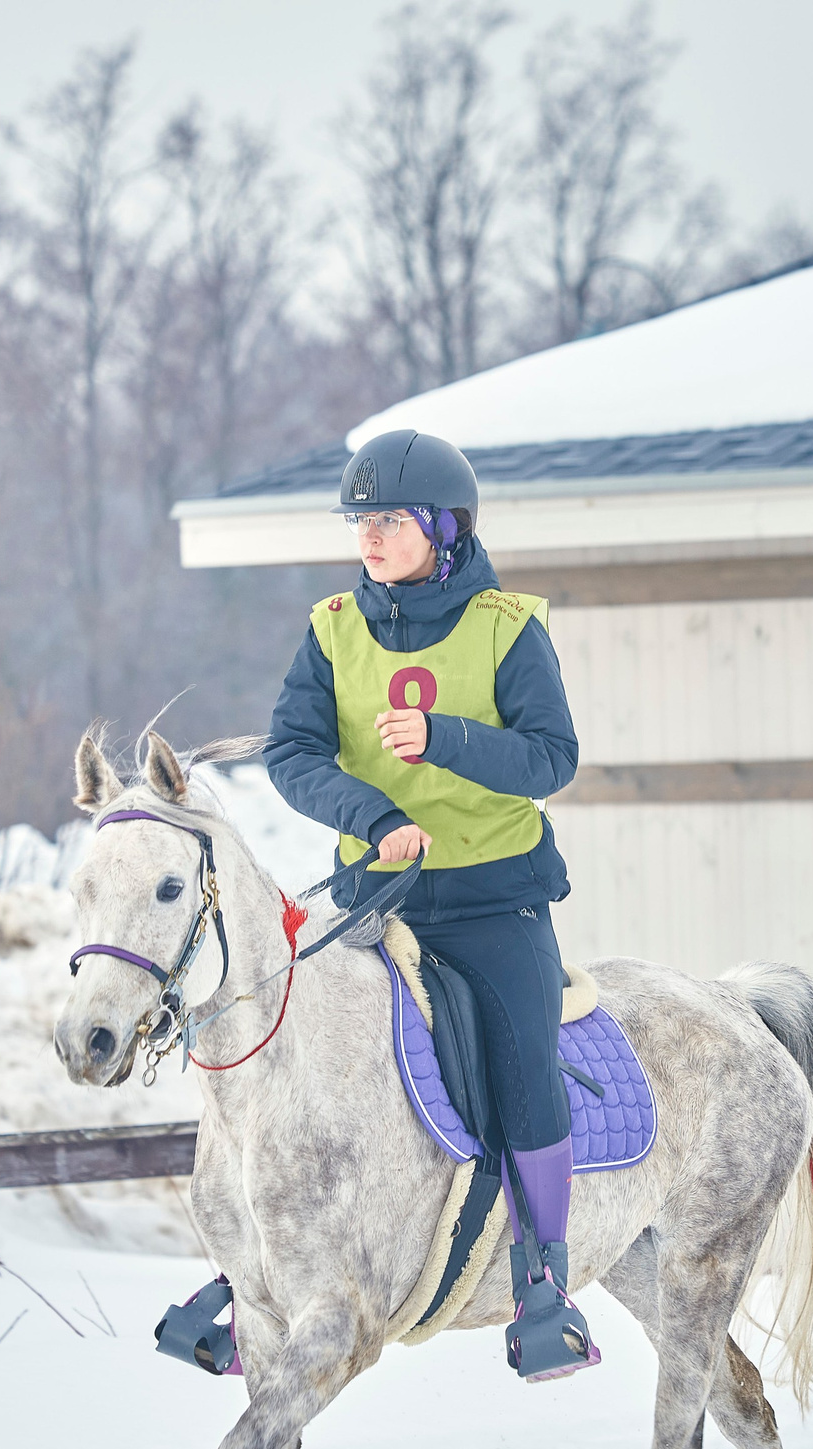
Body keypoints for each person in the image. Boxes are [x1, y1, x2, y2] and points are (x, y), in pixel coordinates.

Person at [263, 428, 598, 1381]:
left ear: (444, 530)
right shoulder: (331, 627)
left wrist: (445, 739)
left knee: (521, 1056)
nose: (369, 536)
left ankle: (546, 1279)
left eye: (390, 520)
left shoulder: (505, 625)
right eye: (360, 521)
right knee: (285, 1044)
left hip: (494, 901)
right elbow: (291, 753)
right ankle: (243, 1265)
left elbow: (551, 758)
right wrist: (370, 814)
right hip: (381, 899)